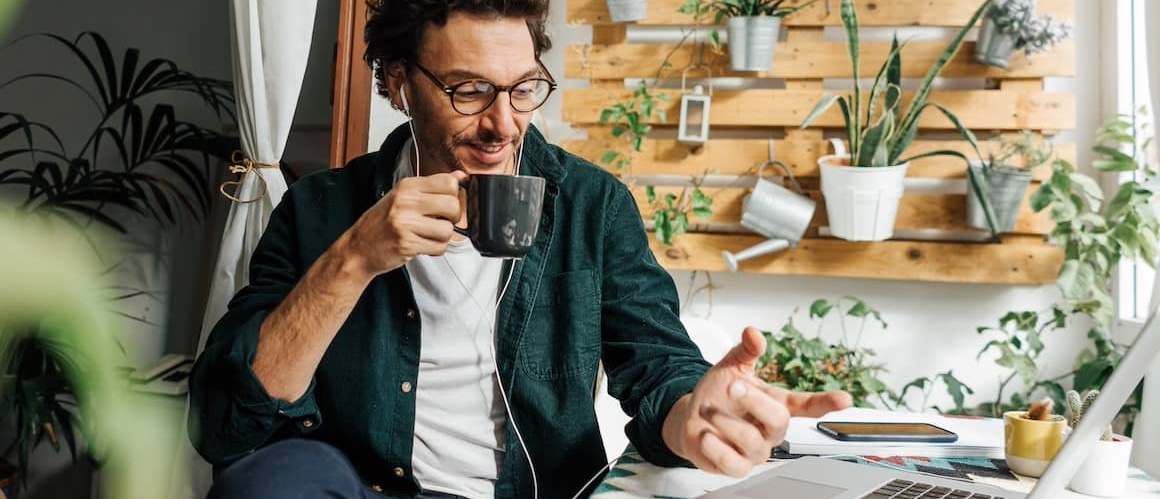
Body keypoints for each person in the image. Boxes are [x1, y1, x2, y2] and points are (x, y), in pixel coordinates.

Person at [187, 0, 852, 497]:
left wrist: (692, 417)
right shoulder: (320, 210)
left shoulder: (592, 205)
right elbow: (227, 423)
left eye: (524, 87)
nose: (503, 124)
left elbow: (657, 368)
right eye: (469, 90)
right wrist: (354, 257)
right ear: (398, 84)